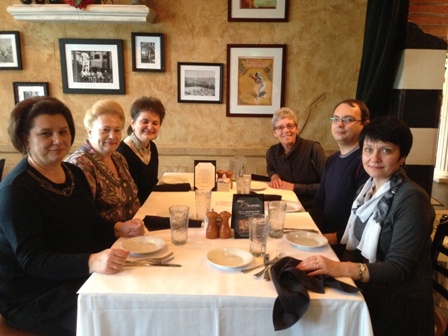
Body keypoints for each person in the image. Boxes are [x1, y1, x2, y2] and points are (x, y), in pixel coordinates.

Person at [0, 97, 144, 335]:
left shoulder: (74, 173)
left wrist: (118, 229)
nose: (58, 140)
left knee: (140, 297)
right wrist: (91, 261)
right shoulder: (16, 190)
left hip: (76, 277)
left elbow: (90, 224)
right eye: (46, 133)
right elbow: (33, 260)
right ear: (26, 138)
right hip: (34, 296)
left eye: (63, 131)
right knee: (120, 323)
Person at [298, 117, 435, 336]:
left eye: (386, 150)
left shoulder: (412, 200)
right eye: (368, 149)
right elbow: (356, 236)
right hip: (369, 293)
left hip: (399, 309)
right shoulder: (368, 189)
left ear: (402, 157)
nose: (374, 158)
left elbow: (398, 269)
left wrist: (340, 268)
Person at [311, 99, 370, 258]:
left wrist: (330, 238)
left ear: (365, 125)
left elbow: (366, 219)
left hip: (349, 251)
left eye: (348, 119)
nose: (340, 124)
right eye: (335, 119)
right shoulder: (332, 160)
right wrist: (315, 232)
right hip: (324, 243)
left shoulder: (368, 164)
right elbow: (319, 201)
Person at [67, 99, 140, 222]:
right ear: (90, 131)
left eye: (117, 130)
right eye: (105, 130)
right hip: (108, 238)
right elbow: (84, 219)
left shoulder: (118, 158)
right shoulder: (79, 164)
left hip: (133, 231)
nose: (112, 136)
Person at [266, 107, 326, 211]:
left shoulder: (313, 149)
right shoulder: (271, 152)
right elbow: (270, 168)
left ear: (296, 129)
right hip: (284, 205)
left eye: (290, 126)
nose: (286, 130)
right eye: (280, 127)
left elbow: (326, 185)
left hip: (312, 208)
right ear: (274, 133)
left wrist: (294, 187)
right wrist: (274, 176)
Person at [117, 96, 165, 204]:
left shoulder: (152, 147)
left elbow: (152, 184)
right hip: (134, 214)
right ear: (132, 123)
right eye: (145, 121)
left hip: (151, 205)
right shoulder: (121, 153)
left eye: (155, 123)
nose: (150, 127)